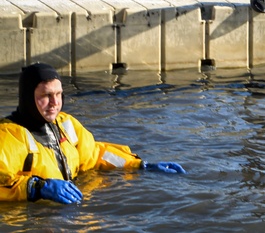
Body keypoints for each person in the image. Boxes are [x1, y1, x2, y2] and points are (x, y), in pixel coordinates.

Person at [0, 63, 185, 204]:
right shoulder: (8, 135)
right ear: (28, 98)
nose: (54, 102)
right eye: (45, 96)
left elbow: (95, 154)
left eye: (58, 94)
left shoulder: (66, 124)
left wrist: (139, 165)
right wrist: (35, 188)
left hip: (66, 212)